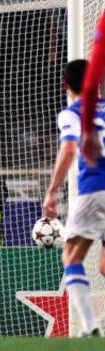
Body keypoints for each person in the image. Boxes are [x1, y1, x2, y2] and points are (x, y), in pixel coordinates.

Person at [44, 57, 102, 336]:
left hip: (95, 190)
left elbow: (69, 150)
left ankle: (90, 327)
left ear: (65, 85)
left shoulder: (72, 112)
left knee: (71, 256)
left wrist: (53, 192)